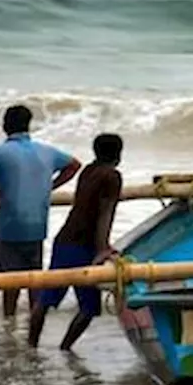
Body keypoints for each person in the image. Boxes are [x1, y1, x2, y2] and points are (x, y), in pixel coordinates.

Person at [0, 105, 81, 318]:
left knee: (9, 281)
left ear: (5, 126)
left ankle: (9, 322)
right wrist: (50, 186)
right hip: (37, 225)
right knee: (34, 280)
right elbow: (74, 165)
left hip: (10, 225)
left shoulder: (0, 152)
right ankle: (34, 324)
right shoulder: (47, 151)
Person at [28, 133, 124, 350]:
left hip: (64, 240)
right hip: (84, 245)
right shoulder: (112, 177)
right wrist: (103, 249)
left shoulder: (88, 171)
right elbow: (105, 212)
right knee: (89, 307)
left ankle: (31, 346)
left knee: (46, 299)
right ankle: (65, 348)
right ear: (118, 154)